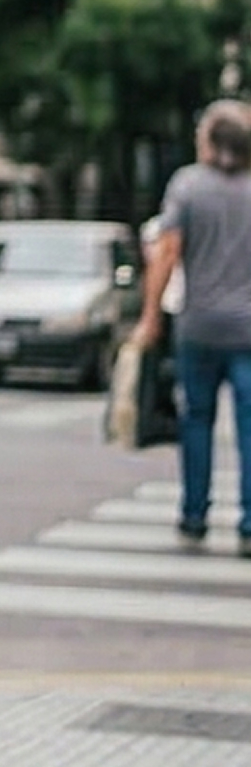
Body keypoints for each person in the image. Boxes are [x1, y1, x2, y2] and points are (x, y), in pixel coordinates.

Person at [134, 100, 251, 557]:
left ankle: (194, 514)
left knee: (196, 422)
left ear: (209, 142)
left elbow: (166, 252)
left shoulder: (187, 186)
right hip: (249, 332)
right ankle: (249, 523)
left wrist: (150, 317)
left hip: (198, 327)